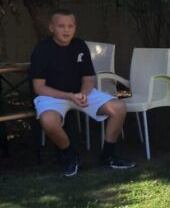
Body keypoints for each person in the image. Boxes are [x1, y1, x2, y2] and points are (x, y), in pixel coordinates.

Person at [30, 10, 135, 176]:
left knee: (119, 107)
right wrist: (69, 96)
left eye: (70, 26)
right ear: (51, 28)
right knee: (48, 121)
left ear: (75, 28)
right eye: (61, 26)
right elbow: (39, 88)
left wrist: (83, 94)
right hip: (53, 96)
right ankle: (70, 157)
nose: (66, 30)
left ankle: (107, 156)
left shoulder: (80, 45)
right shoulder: (42, 50)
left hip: (80, 93)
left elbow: (88, 79)